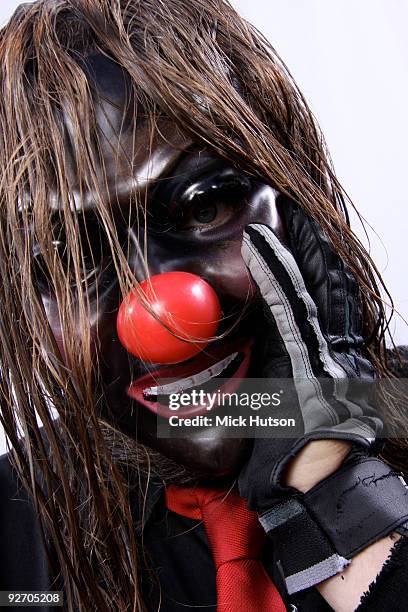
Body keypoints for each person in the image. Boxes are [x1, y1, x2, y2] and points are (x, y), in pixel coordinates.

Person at [0, 1, 407, 610]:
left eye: (206, 207)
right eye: (67, 261)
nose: (164, 321)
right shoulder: (12, 533)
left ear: (298, 197)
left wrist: (339, 498)